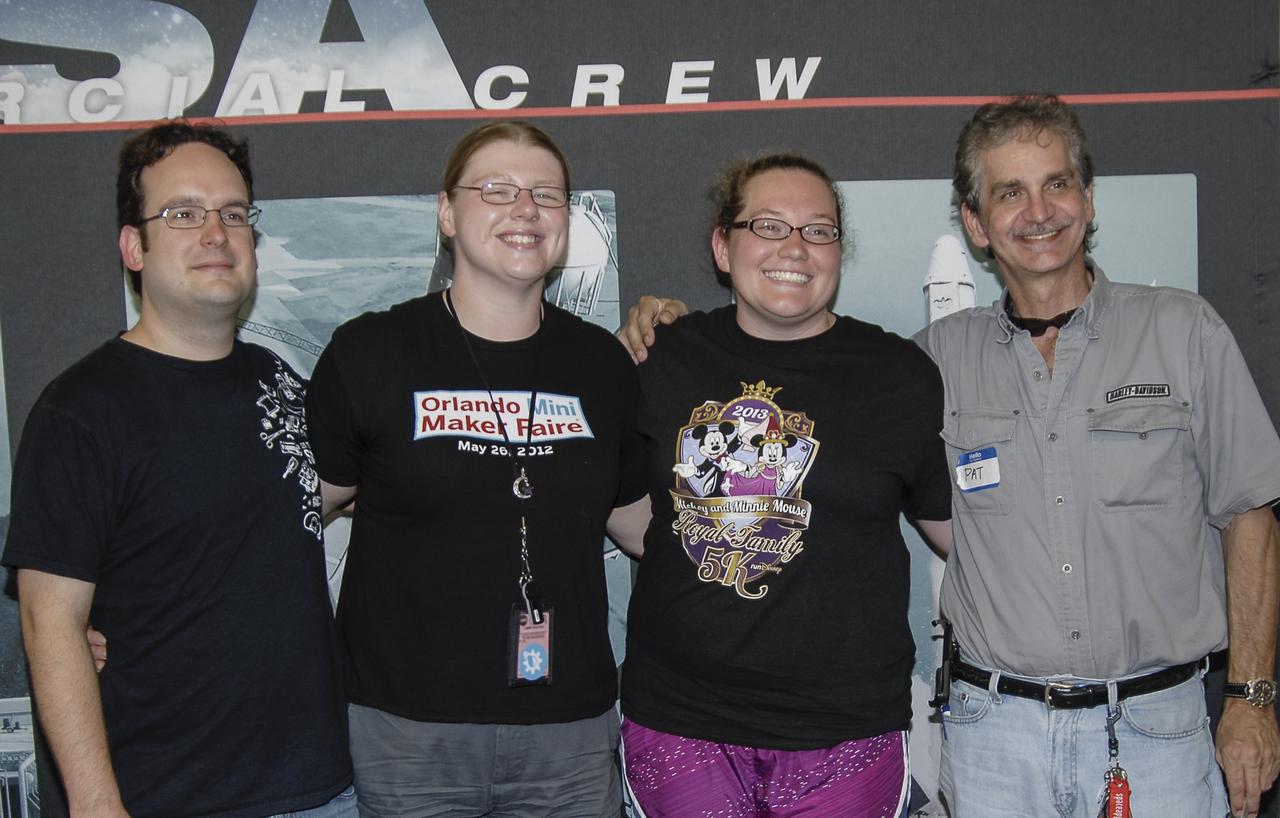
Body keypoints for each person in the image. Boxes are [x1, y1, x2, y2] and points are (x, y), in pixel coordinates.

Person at [621, 94, 1280, 818]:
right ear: (975, 223)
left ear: (1088, 199)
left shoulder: (1178, 332)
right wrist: (657, 325)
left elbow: (1250, 513)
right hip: (993, 731)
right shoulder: (936, 359)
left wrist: (1251, 696)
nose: (1038, 212)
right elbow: (656, 507)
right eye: (1010, 192)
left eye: (1057, 184)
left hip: (1156, 726)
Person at [2, 121, 353, 817]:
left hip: (322, 790)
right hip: (167, 796)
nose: (216, 233)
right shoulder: (80, 412)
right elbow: (51, 623)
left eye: (233, 214)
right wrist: (96, 805)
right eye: (184, 214)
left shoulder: (279, 381)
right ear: (134, 247)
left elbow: (343, 486)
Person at [304, 120, 648, 817]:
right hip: (408, 733)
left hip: (569, 735)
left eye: (546, 194)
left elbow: (646, 527)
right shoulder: (370, 353)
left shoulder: (602, 364)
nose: (525, 208)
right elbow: (296, 512)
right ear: (446, 212)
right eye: (496, 189)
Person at [611, 153, 953, 817]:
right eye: (768, 226)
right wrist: (717, 543)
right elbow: (630, 516)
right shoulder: (659, 357)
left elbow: (954, 528)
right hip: (682, 723)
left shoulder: (898, 373)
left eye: (818, 230)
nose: (794, 248)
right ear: (723, 246)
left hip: (847, 730)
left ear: (838, 251)